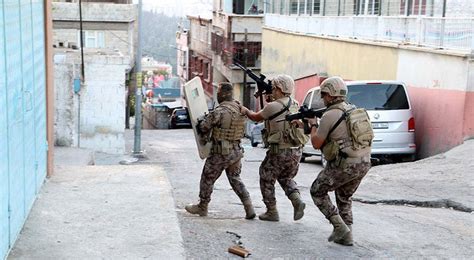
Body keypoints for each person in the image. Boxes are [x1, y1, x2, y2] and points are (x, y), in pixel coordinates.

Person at [307, 76, 372, 246]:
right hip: (364, 162)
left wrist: (313, 125)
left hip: (345, 164)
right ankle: (347, 235)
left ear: (330, 95)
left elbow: (316, 143)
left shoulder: (329, 115)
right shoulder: (353, 110)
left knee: (317, 191)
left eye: (324, 95)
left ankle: (339, 226)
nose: (322, 98)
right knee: (344, 195)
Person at [185, 82, 256, 220]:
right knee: (235, 179)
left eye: (218, 92)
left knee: (207, 178)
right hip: (236, 151)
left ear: (224, 94)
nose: (217, 94)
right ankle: (249, 207)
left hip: (221, 152)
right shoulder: (240, 108)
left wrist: (202, 122)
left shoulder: (220, 111)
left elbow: (204, 127)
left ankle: (202, 206)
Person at [241, 74, 307, 222]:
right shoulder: (294, 103)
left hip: (280, 151)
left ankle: (271, 211)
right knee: (285, 177)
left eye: (274, 88)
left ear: (279, 89)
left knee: (266, 177)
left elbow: (255, 117)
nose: (272, 91)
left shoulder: (273, 106)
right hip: (296, 151)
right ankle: (297, 200)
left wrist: (245, 110)